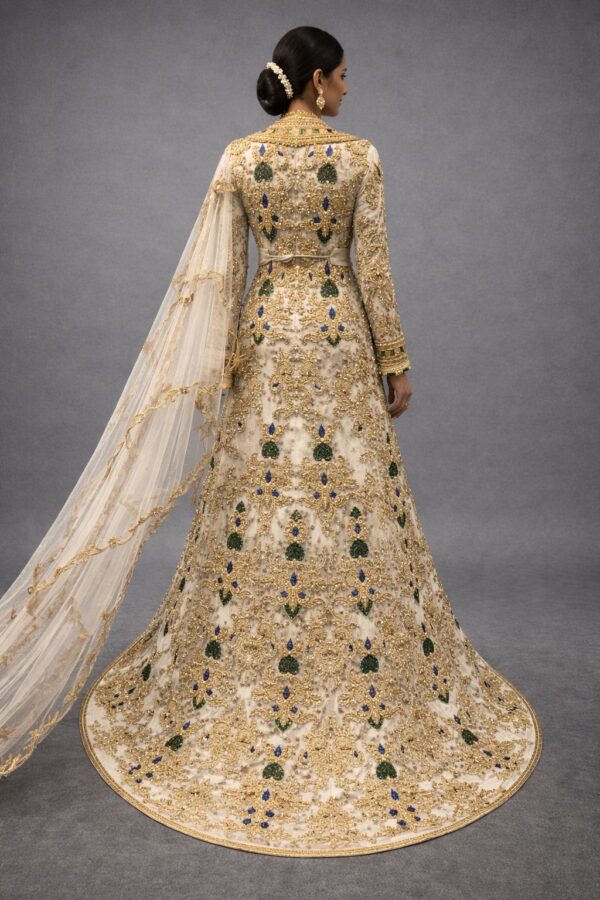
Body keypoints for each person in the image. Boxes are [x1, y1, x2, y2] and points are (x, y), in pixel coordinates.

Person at [0, 26, 542, 856]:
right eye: (344, 77)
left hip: (261, 338)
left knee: (254, 503)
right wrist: (395, 361)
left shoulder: (239, 158)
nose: (350, 90)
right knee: (352, 499)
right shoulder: (359, 158)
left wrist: (219, 364)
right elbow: (373, 269)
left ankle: (245, 666)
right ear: (317, 81)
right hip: (335, 339)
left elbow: (221, 276)